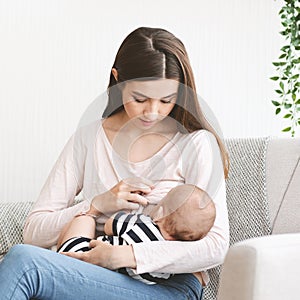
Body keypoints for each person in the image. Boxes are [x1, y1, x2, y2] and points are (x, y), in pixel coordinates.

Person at [0, 27, 229, 300]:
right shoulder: (88, 138)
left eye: (166, 100)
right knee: (23, 259)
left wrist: (124, 255)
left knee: (25, 264)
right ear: (117, 80)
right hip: (94, 274)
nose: (153, 111)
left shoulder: (196, 144)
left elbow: (215, 245)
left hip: (167, 286)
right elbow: (34, 232)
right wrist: (97, 204)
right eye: (140, 98)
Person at [56, 184, 216, 285]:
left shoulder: (143, 224)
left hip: (85, 258)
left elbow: (109, 226)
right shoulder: (168, 261)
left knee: (84, 218)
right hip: (112, 281)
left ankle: (58, 256)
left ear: (160, 212)